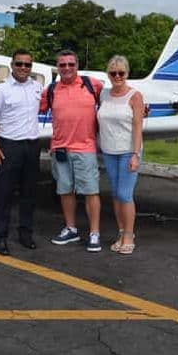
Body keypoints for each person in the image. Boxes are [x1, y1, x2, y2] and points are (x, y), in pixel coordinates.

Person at [41, 49, 105, 252]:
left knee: (91, 191)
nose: (67, 68)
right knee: (65, 190)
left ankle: (94, 233)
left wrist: (140, 108)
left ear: (77, 66)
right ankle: (71, 229)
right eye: (62, 65)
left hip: (85, 148)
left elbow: (114, 101)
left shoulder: (92, 84)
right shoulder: (51, 90)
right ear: (57, 68)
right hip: (60, 148)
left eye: (71, 64)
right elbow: (31, 108)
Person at [0, 50, 43, 255]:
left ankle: (25, 233)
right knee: (4, 193)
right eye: (19, 64)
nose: (23, 68)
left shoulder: (37, 87)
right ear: (12, 65)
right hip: (9, 146)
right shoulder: (0, 89)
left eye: (27, 65)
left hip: (32, 146)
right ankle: (0, 237)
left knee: (29, 193)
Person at [97, 55, 144, 255]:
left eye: (121, 73)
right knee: (116, 194)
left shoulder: (135, 96)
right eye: (113, 73)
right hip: (109, 151)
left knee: (125, 194)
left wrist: (135, 154)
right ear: (108, 74)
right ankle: (121, 231)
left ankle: (129, 235)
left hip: (127, 151)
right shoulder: (103, 95)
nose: (117, 76)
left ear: (127, 73)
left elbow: (138, 127)